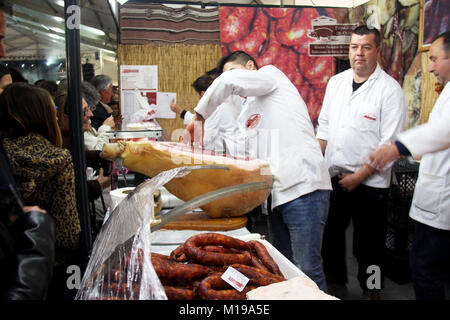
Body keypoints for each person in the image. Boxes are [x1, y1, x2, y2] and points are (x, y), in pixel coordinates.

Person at [182, 51, 332, 292]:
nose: (230, 79)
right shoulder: (247, 111)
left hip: (304, 188)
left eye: (233, 71)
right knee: (282, 270)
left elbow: (226, 82)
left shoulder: (270, 75)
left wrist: (199, 116)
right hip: (275, 197)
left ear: (250, 66)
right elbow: (247, 154)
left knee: (307, 270)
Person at [316, 25, 407, 299]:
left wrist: (360, 176)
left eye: (366, 47)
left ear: (377, 50)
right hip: (335, 176)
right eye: (355, 47)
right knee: (331, 235)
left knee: (370, 244)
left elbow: (391, 145)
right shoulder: (336, 83)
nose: (359, 53)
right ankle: (335, 283)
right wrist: (315, 164)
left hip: (371, 182)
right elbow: (324, 128)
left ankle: (373, 288)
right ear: (349, 50)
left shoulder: (390, 91)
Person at [368, 31, 450, 300]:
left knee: (425, 269)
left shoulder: (389, 89)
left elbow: (442, 132)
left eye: (436, 59)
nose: (431, 66)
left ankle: (372, 288)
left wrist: (395, 147)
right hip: (435, 199)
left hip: (440, 204)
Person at [0, 82, 81, 299]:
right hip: (53, 269)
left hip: (10, 267)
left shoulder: (4, 155)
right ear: (41, 115)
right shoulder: (59, 160)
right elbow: (68, 235)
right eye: (53, 111)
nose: (56, 117)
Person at [171, 71, 246, 156]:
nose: (198, 98)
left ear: (203, 94)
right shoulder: (227, 102)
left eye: (197, 94)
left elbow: (207, 140)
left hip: (228, 153)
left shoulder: (215, 108)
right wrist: (181, 112)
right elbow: (200, 121)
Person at [81, 81, 115, 151]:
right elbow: (99, 151)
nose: (91, 114)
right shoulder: (81, 131)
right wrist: (105, 128)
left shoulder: (88, 124)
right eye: (86, 109)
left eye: (91, 108)